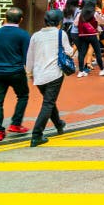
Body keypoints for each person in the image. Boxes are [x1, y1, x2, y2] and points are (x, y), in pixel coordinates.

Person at [25, 10, 72, 147]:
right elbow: (68, 52)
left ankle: (58, 124)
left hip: (39, 76)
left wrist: (29, 73)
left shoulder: (36, 36)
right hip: (54, 74)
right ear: (59, 22)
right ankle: (37, 135)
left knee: (49, 100)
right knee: (48, 103)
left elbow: (30, 56)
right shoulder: (60, 34)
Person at [0, 7, 31, 141]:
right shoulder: (23, 35)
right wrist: (29, 71)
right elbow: (27, 56)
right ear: (21, 20)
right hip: (16, 72)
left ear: (5, 18)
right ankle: (16, 124)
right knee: (23, 95)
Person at [76, 0, 104, 77]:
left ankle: (80, 71)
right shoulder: (95, 13)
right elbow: (102, 22)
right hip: (92, 35)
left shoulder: (80, 14)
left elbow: (75, 23)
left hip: (82, 35)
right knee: (97, 52)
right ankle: (102, 70)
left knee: (82, 53)